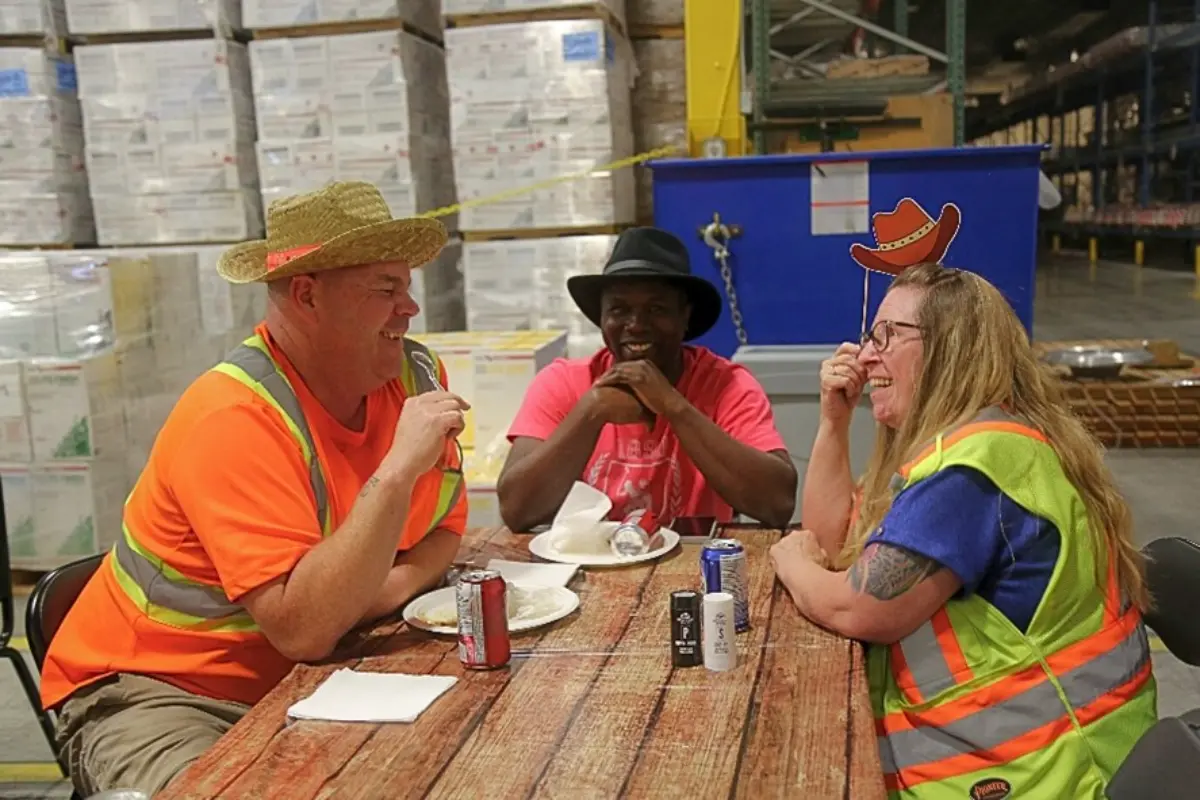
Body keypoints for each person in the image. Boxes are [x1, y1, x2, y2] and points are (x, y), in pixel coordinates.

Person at [39, 181, 472, 797]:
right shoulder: (234, 416)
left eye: (406, 286)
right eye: (385, 289)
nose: (410, 309)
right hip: (163, 693)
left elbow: (446, 529)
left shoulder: (411, 373)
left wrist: (364, 594)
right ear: (306, 295)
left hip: (318, 670)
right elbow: (303, 628)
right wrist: (397, 473)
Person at [769, 263, 1157, 798]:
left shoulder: (971, 470)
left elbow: (854, 607)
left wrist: (788, 561)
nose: (863, 355)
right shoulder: (972, 443)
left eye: (888, 336)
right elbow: (833, 545)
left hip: (1041, 774)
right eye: (869, 335)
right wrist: (834, 422)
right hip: (1024, 757)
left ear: (952, 349)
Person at [497, 226, 796, 531]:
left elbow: (778, 504)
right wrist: (591, 411)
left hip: (694, 563)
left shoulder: (727, 385)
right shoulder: (562, 382)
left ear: (685, 316)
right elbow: (516, 510)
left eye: (656, 309)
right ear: (601, 318)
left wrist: (674, 406)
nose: (636, 325)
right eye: (619, 309)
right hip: (586, 565)